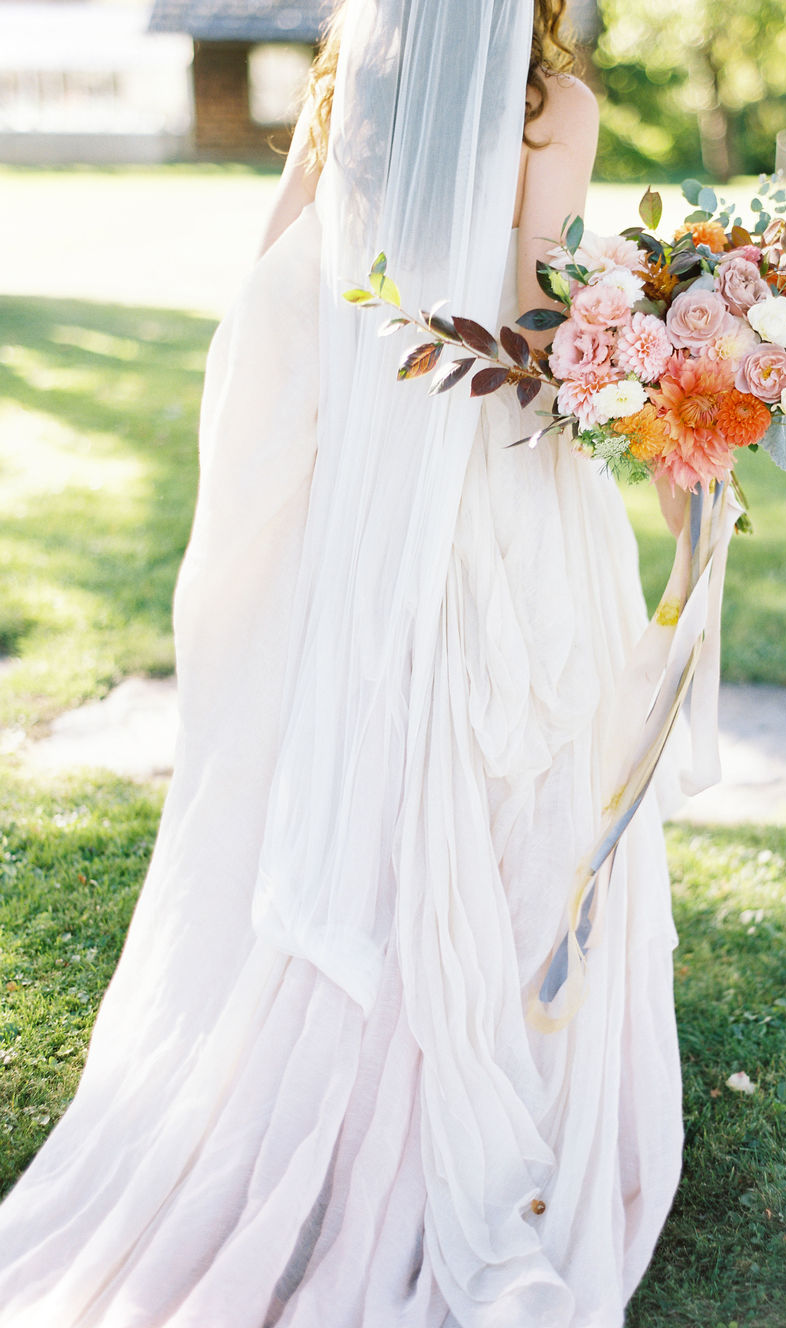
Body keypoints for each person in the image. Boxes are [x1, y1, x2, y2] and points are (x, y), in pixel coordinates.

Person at [0, 2, 686, 1323]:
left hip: (359, 506)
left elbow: (273, 287)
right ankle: (490, 1084)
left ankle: (352, 1044)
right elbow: (546, 342)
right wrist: (664, 341)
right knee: (510, 765)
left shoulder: (347, 84)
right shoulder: (559, 108)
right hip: (503, 494)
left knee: (380, 764)